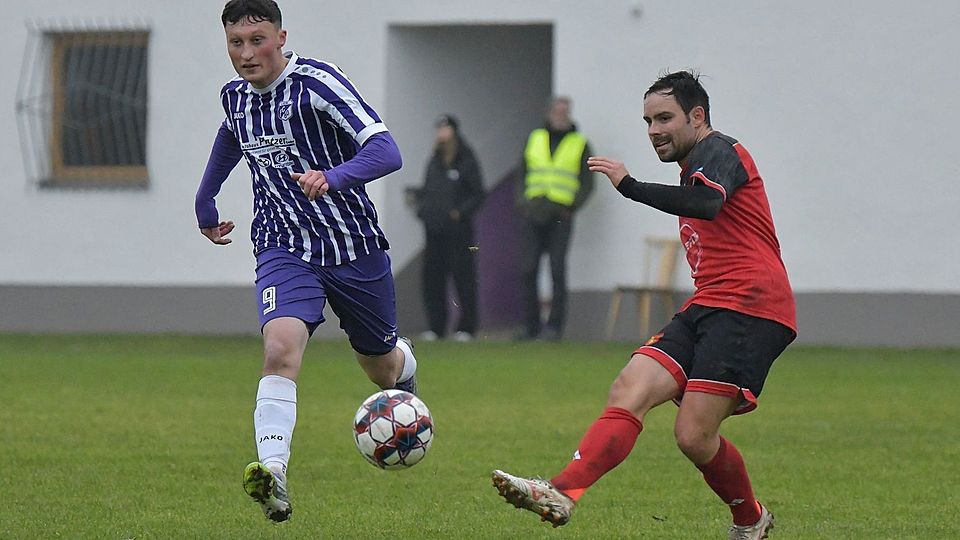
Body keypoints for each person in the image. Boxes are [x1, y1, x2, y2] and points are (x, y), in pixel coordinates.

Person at [492, 71, 796, 540]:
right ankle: (562, 491)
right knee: (629, 388)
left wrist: (629, 186)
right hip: (710, 303)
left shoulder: (720, 150)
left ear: (698, 117)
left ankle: (750, 519)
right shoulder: (693, 163)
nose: (653, 129)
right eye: (648, 120)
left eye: (664, 118)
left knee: (693, 436)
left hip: (750, 306)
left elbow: (706, 205)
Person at [195, 0, 418, 523]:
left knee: (380, 364)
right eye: (236, 43)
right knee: (280, 347)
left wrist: (333, 176)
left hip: (351, 244)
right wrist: (206, 197)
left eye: (257, 40)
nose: (247, 54)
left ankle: (403, 364)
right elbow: (233, 133)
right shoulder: (235, 97)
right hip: (281, 245)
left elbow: (387, 151)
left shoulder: (318, 82)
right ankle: (273, 473)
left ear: (281, 36)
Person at [516, 96, 594, 341]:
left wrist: (573, 206)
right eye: (557, 111)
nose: (561, 115)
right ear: (549, 112)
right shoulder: (535, 138)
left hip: (561, 214)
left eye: (565, 111)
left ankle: (554, 328)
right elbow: (522, 172)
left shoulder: (579, 143)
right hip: (534, 211)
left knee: (557, 269)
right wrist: (523, 203)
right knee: (528, 269)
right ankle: (531, 326)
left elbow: (587, 181)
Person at [413, 114, 485, 342]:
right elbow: (428, 189)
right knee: (432, 279)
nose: (441, 135)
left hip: (458, 232)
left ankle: (467, 327)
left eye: (445, 129)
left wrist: (459, 213)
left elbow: (477, 193)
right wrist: (423, 209)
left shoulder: (466, 158)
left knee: (463, 278)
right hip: (433, 230)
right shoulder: (434, 159)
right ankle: (436, 327)